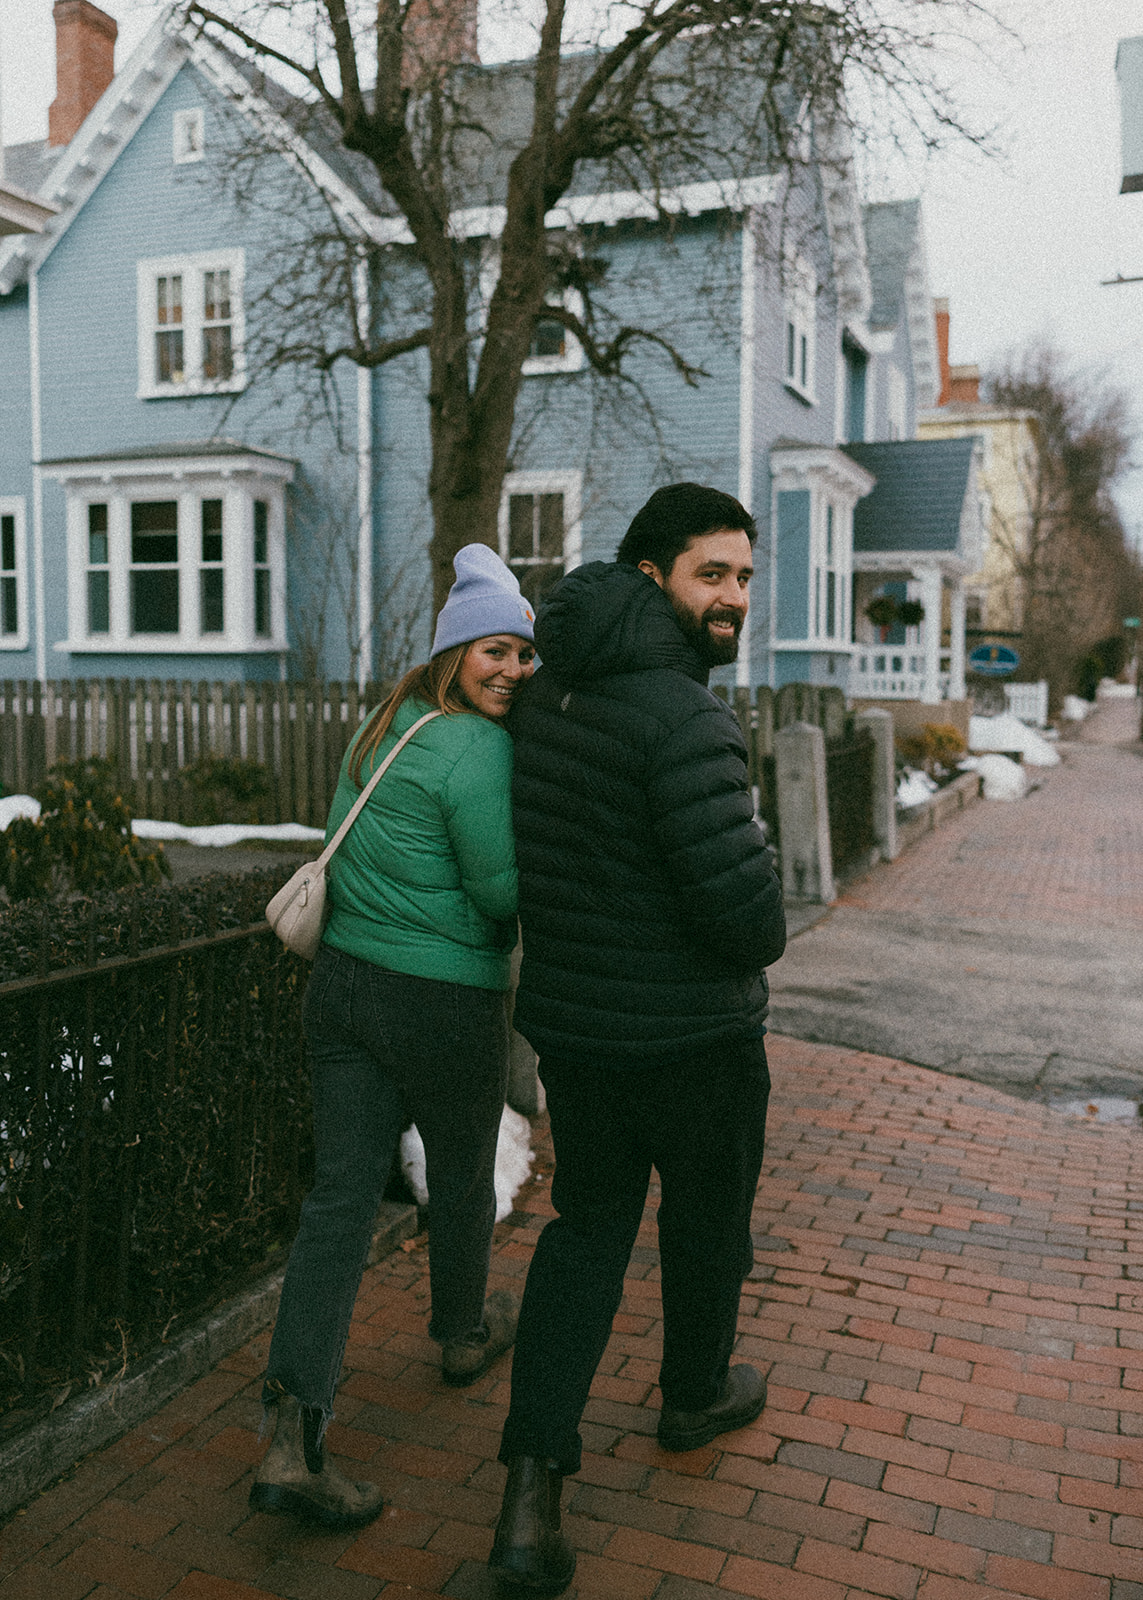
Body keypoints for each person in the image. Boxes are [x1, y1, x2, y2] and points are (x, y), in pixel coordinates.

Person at [489, 483, 786, 1592]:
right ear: (653, 574)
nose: (735, 597)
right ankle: (693, 1393)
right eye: (713, 573)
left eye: (746, 576)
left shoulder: (548, 695)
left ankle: (530, 1493)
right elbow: (747, 919)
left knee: (585, 1235)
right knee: (707, 1226)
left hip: (577, 1035)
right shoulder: (686, 716)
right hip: (697, 1044)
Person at [251, 544, 536, 1531]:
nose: (510, 669)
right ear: (457, 650)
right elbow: (499, 893)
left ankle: (293, 1436)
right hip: (441, 1002)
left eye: (522, 654)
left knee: (338, 1201)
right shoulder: (480, 749)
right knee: (457, 1177)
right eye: (494, 649)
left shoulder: (389, 724)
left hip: (341, 990)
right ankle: (460, 1332)